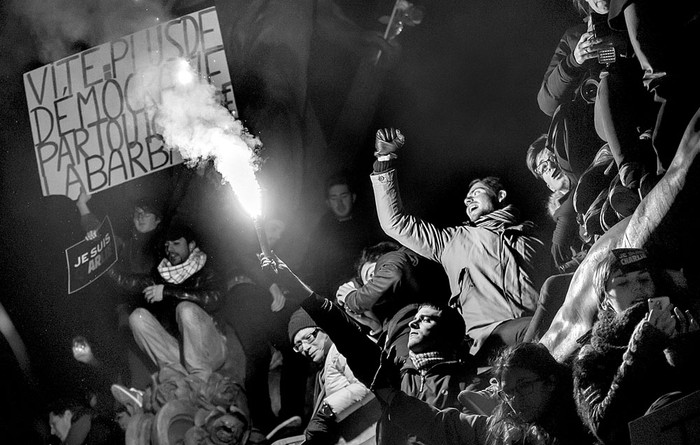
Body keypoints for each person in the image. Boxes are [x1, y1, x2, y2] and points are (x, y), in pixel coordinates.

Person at [370, 128, 550, 364]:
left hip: (537, 325)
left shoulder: (530, 239)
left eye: (477, 193)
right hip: (490, 337)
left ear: (501, 195)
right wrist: (385, 160)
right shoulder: (453, 240)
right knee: (537, 331)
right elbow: (395, 222)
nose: (468, 200)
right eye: (467, 198)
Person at [263, 254, 474, 445]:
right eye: (415, 319)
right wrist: (297, 288)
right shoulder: (396, 374)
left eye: (426, 319)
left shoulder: (466, 385)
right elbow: (346, 335)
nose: (413, 324)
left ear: (448, 333)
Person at [573, 247, 700, 445]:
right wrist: (637, 354)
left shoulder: (682, 318)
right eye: (622, 283)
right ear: (605, 300)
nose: (636, 289)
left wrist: (686, 351)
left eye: (644, 280)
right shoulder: (591, 355)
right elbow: (602, 427)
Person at [370, 341, 593, 445]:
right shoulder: (507, 431)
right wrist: (389, 394)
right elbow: (444, 425)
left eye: (524, 385)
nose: (515, 399)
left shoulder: (586, 411)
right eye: (506, 393)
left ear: (550, 382)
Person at [107, 223, 227, 407]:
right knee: (136, 317)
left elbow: (214, 298)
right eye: (167, 245)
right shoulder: (161, 274)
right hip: (182, 354)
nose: (170, 250)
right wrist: (104, 264)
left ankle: (199, 380)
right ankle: (173, 379)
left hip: (210, 350)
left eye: (176, 244)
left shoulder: (207, 268)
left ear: (192, 245)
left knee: (185, 308)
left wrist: (168, 292)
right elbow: (130, 282)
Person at [78, 191, 165, 389]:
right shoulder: (129, 244)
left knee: (161, 366)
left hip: (158, 316)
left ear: (158, 220)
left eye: (146, 213)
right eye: (137, 213)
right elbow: (103, 236)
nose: (140, 217)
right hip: (130, 316)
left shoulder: (162, 245)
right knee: (138, 370)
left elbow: (142, 281)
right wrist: (82, 206)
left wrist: (108, 267)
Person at [336, 240, 449, 357]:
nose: (371, 282)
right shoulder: (401, 306)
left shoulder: (395, 258)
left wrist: (351, 297)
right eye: (367, 283)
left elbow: (394, 274)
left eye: (371, 274)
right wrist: (376, 327)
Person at [288, 308, 379, 445]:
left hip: (374, 434)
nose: (305, 348)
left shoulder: (343, 347)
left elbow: (369, 382)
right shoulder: (325, 365)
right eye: (298, 345)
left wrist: (326, 412)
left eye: (308, 338)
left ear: (324, 328)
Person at [300, 173, 385, 298]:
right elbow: (312, 263)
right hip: (333, 293)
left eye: (343, 196)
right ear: (328, 202)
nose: (339, 203)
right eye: (334, 198)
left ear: (353, 197)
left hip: (367, 287)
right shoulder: (322, 228)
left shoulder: (368, 224)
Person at [48, 397, 123, 445]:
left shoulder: (99, 432)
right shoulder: (88, 432)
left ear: (67, 415)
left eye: (54, 424)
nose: (52, 432)